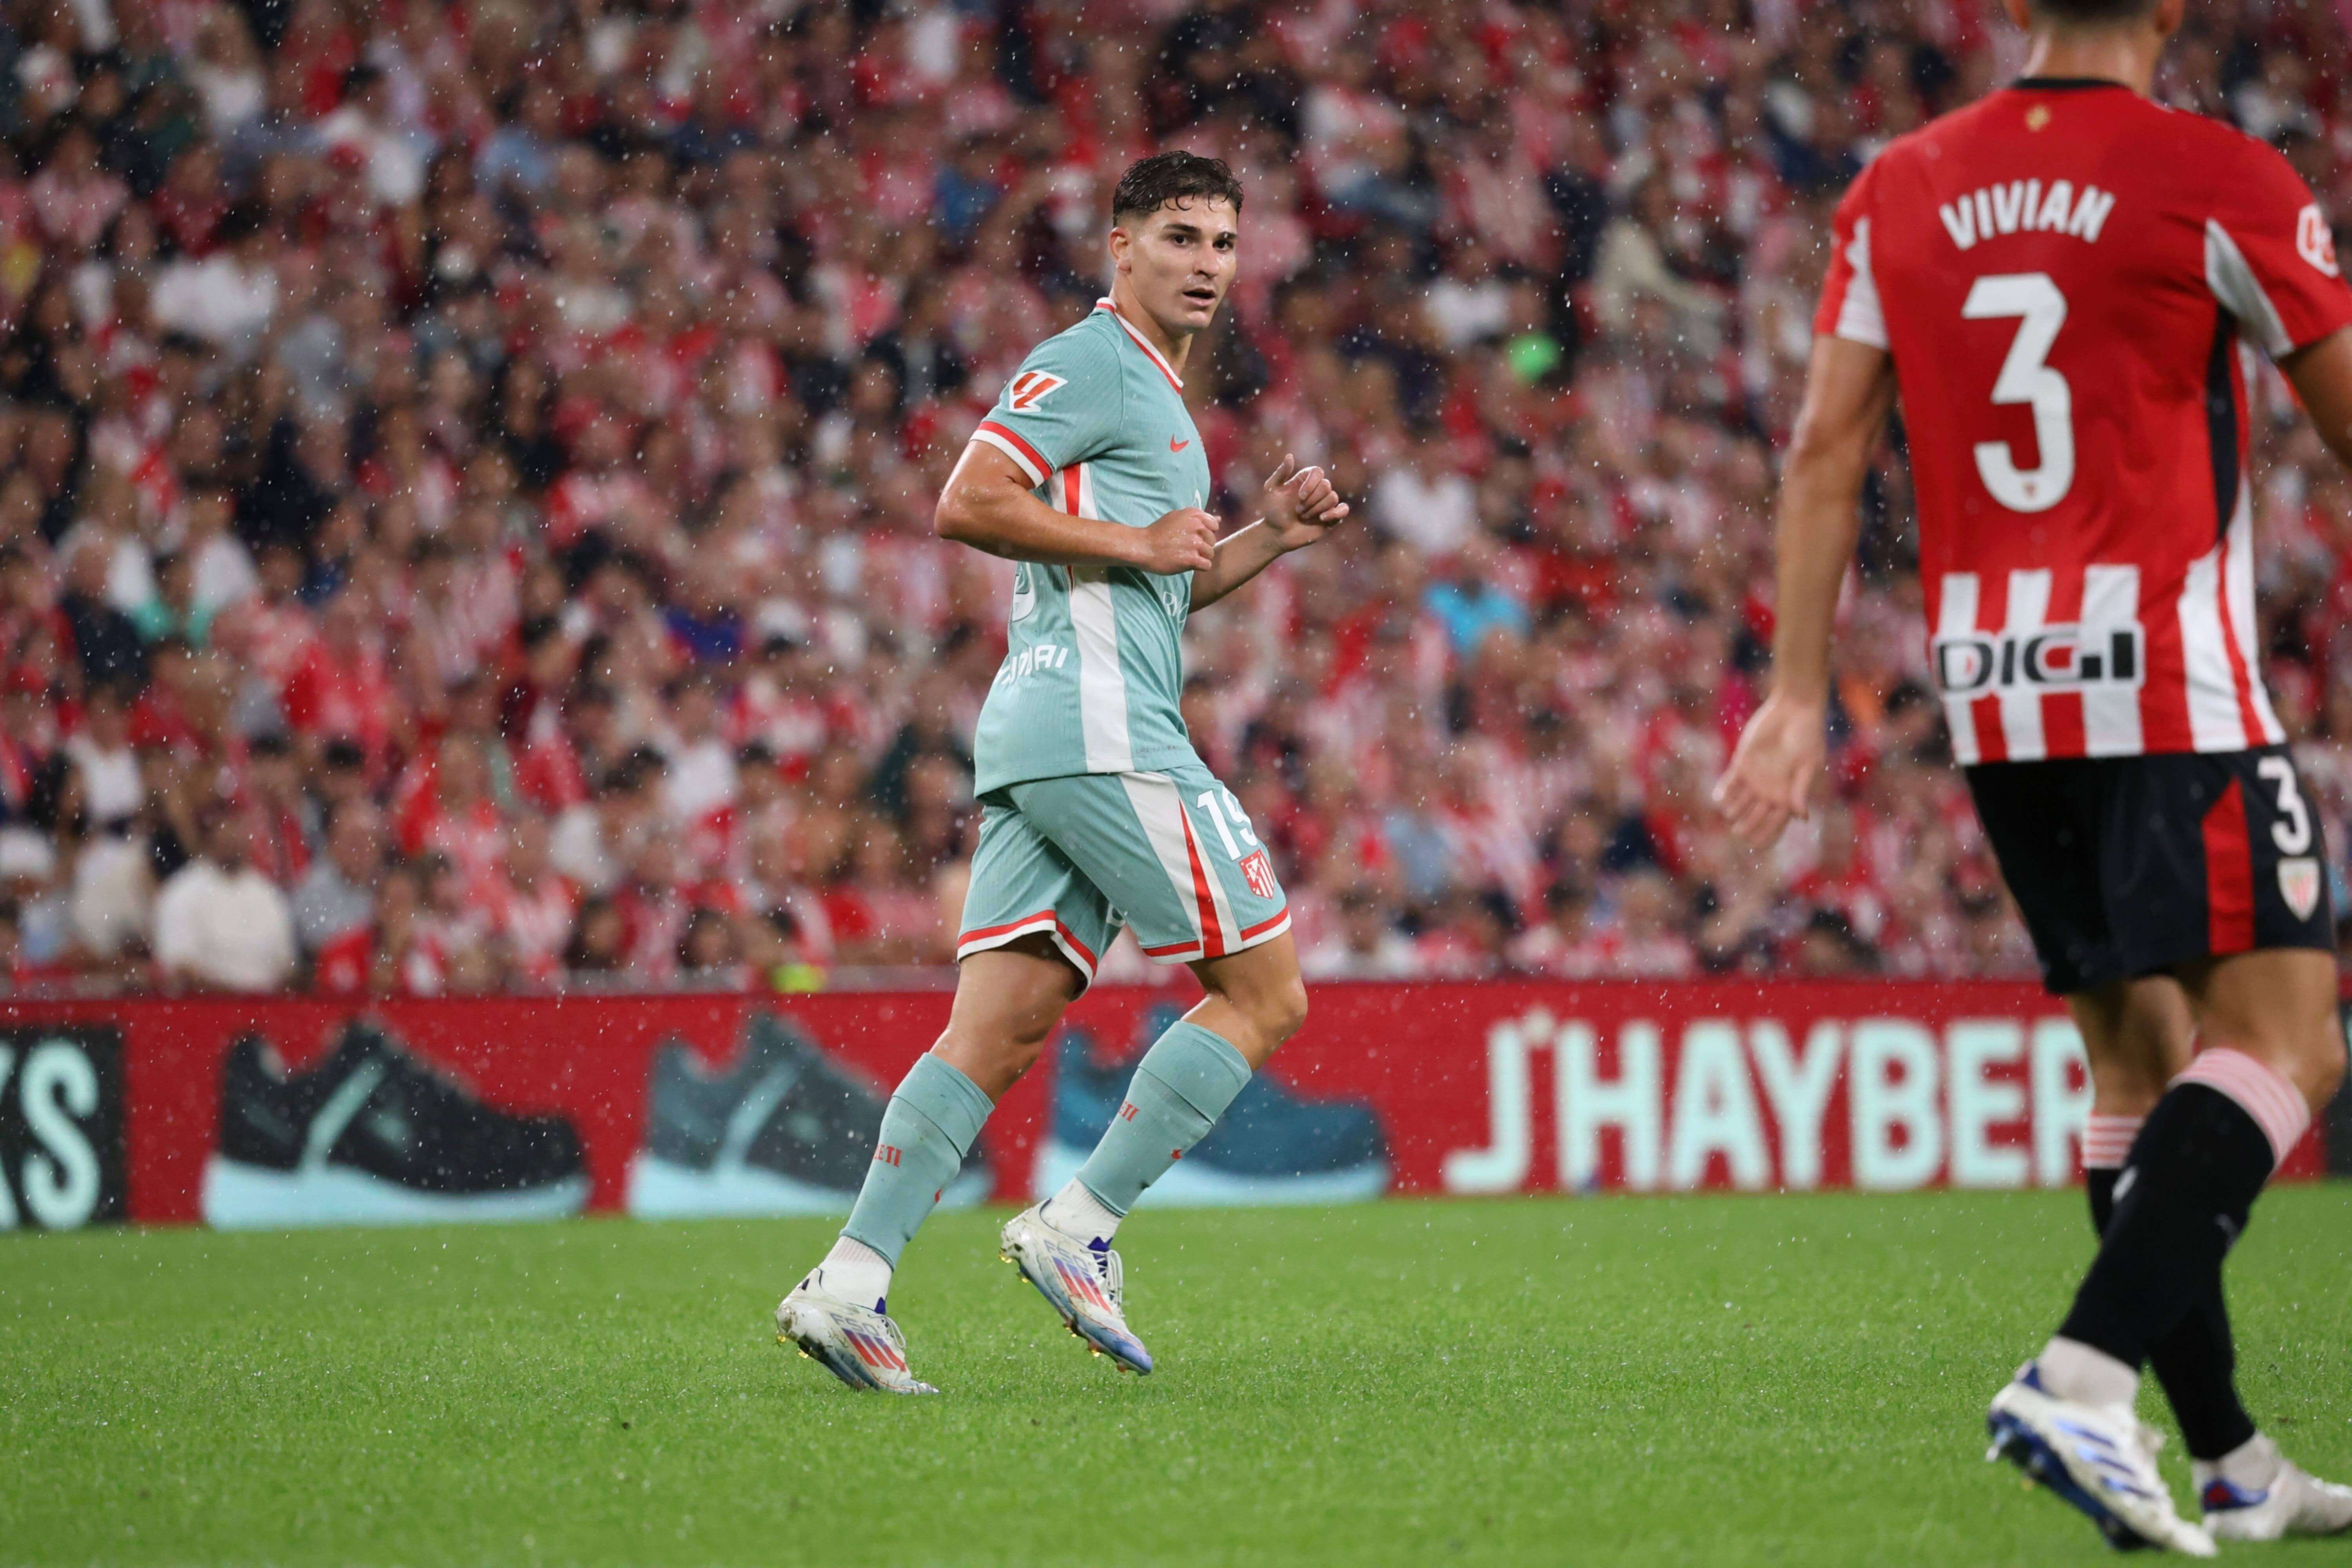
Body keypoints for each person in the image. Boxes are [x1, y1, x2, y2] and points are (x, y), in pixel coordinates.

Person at [1714, 0, 2352, 1551]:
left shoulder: (1900, 184)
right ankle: (2081, 1375)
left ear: (2008, 7)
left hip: (1998, 691)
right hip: (2167, 677)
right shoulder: (2219, 176)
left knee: (2137, 1062)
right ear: (2175, 7)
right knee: (2289, 1042)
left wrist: (1796, 690)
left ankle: (2229, 1461)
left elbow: (1823, 451)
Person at [777, 152, 1350, 1395]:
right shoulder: (1092, 361)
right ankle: (1078, 1222)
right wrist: (1135, 536)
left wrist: (1270, 539)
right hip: (1101, 726)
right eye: (1180, 238)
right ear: (1121, 246)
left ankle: (849, 1286)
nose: (1206, 263)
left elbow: (1160, 578)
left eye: (1222, 242)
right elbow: (968, 500)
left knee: (1001, 1028)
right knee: (1266, 994)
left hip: (1043, 732)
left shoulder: (1157, 398)